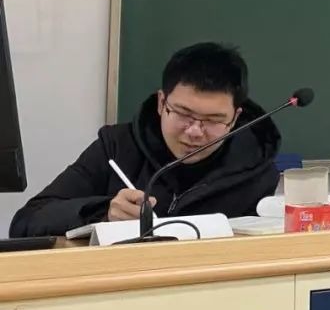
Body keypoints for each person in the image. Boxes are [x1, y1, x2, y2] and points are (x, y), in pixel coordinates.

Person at [10, 42, 281, 237]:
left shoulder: (256, 170)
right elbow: (26, 222)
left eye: (212, 120)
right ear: (162, 102)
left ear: (235, 118)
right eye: (183, 114)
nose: (195, 131)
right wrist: (103, 213)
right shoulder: (116, 147)